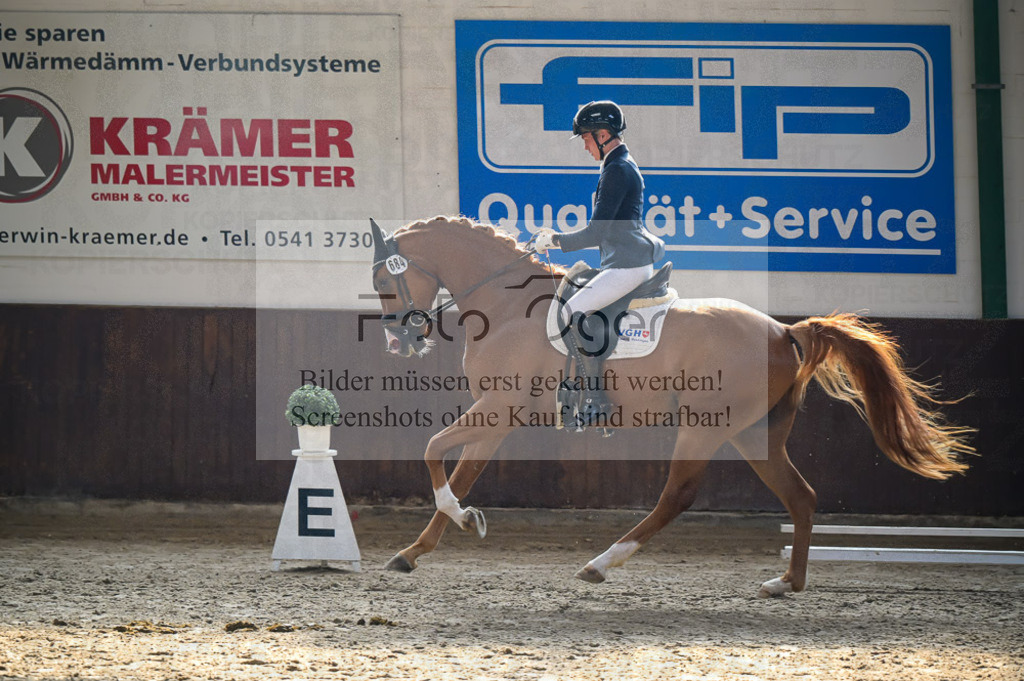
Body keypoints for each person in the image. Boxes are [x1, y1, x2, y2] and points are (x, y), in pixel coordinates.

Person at [533, 100, 665, 426]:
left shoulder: (617, 170)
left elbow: (598, 231)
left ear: (603, 134)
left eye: (586, 139)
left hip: (627, 265)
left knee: (570, 312)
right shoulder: (617, 165)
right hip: (624, 261)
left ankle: (595, 399)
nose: (585, 146)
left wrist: (556, 241)